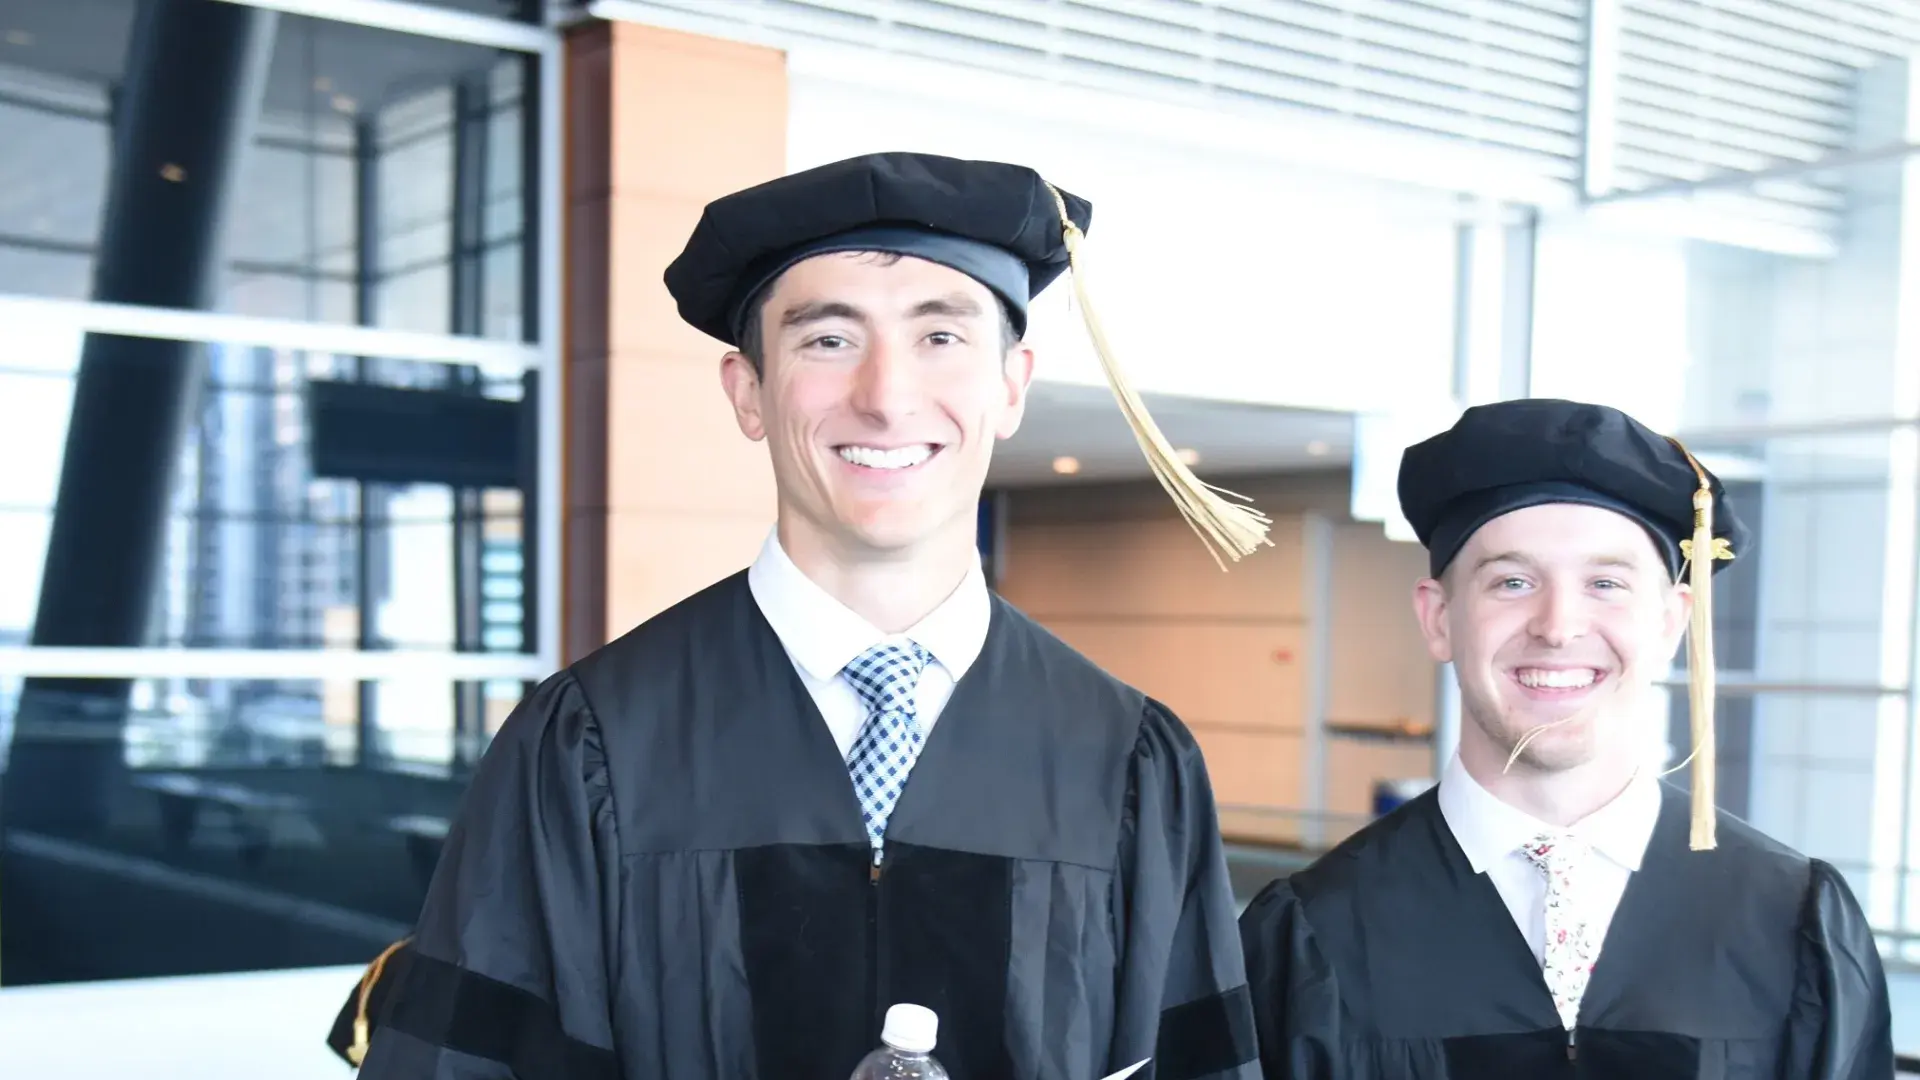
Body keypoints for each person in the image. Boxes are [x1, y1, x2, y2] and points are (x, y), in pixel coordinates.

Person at [325, 151, 1268, 1080]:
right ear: (749, 392)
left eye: (941, 338)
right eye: (829, 340)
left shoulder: (1131, 761)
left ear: (1012, 385)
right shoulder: (587, 743)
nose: (888, 396)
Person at [1237, 399, 1895, 1079]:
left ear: (1671, 623)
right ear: (1438, 619)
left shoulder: (1792, 919)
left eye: (1605, 583)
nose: (1558, 625)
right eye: (1513, 582)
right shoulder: (1312, 931)